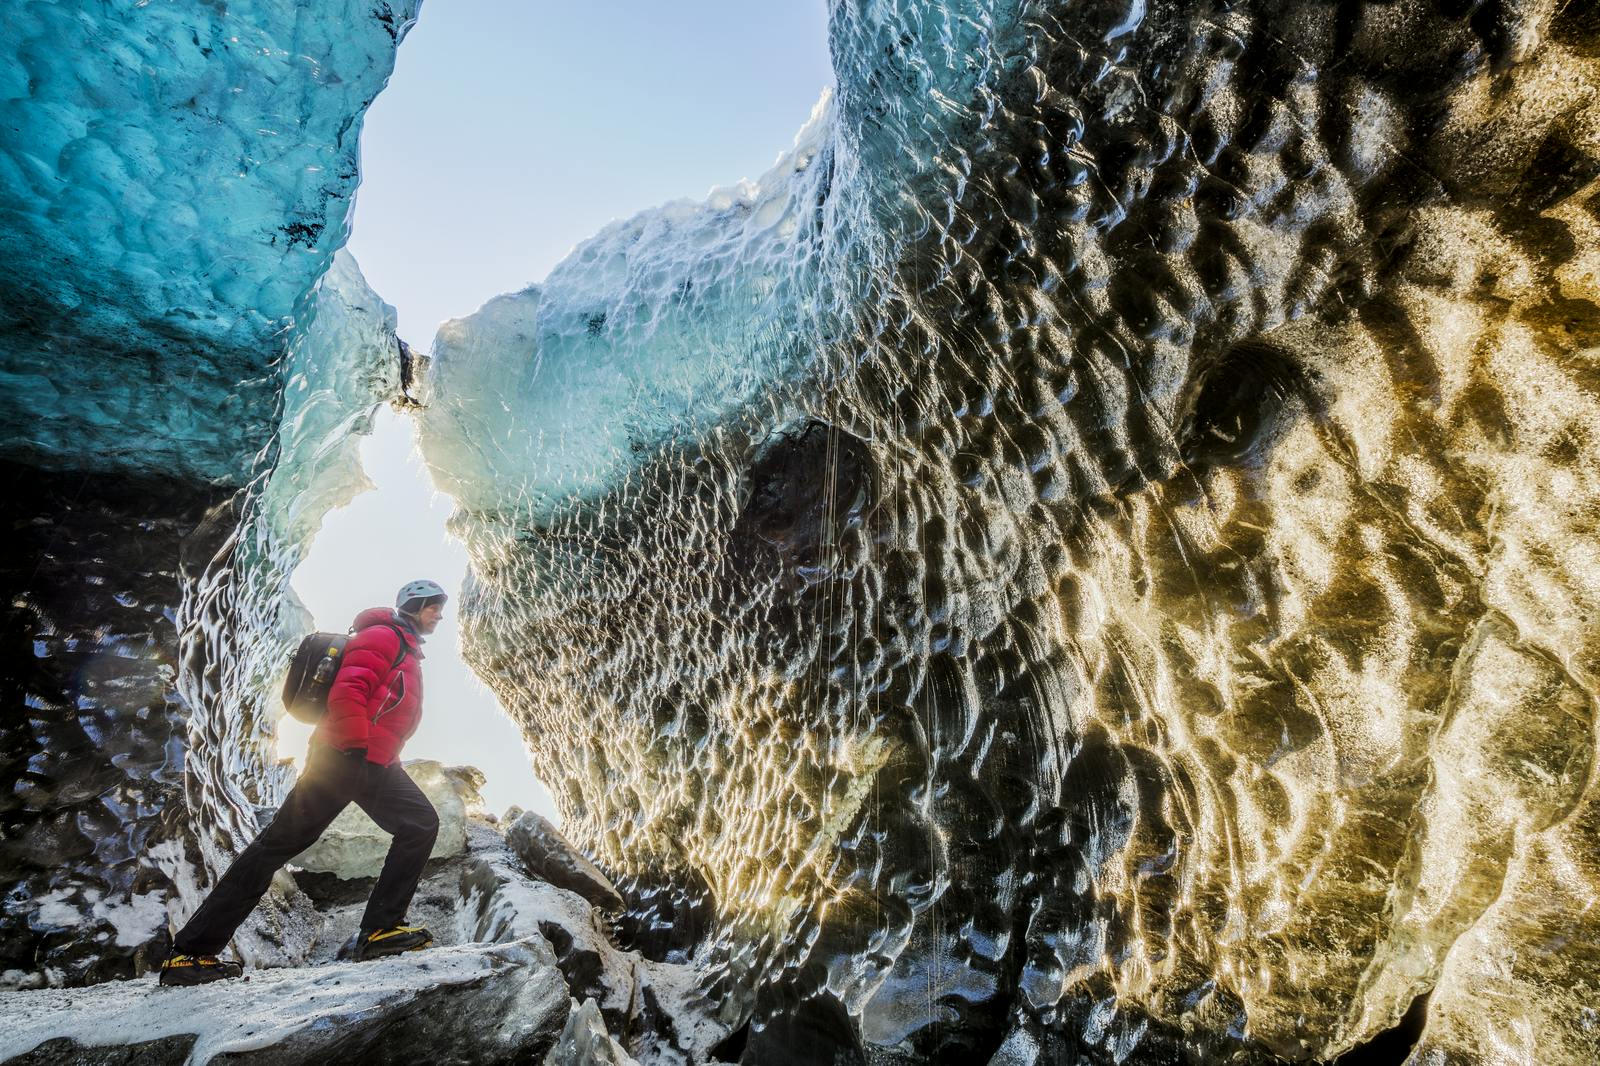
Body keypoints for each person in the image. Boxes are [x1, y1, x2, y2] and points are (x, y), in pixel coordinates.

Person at [158, 580, 450, 985]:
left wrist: (371, 754)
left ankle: (380, 930)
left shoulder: (402, 644)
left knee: (419, 824)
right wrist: (356, 749)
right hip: (346, 758)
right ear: (414, 606)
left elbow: (384, 706)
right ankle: (189, 954)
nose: (439, 614)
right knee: (275, 847)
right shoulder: (383, 636)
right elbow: (350, 690)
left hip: (371, 762)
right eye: (434, 607)